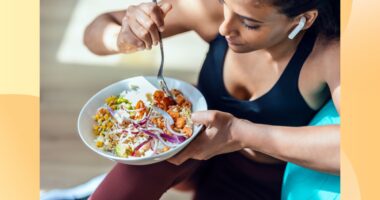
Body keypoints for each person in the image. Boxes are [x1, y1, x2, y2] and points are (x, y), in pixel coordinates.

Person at [83, 0, 340, 199]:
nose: (224, 27)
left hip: (259, 179)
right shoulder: (212, 12)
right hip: (186, 151)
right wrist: (122, 38)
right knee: (122, 185)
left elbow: (358, 148)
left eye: (249, 23)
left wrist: (239, 134)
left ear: (304, 19)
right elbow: (93, 33)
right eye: (224, 4)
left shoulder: (328, 54)